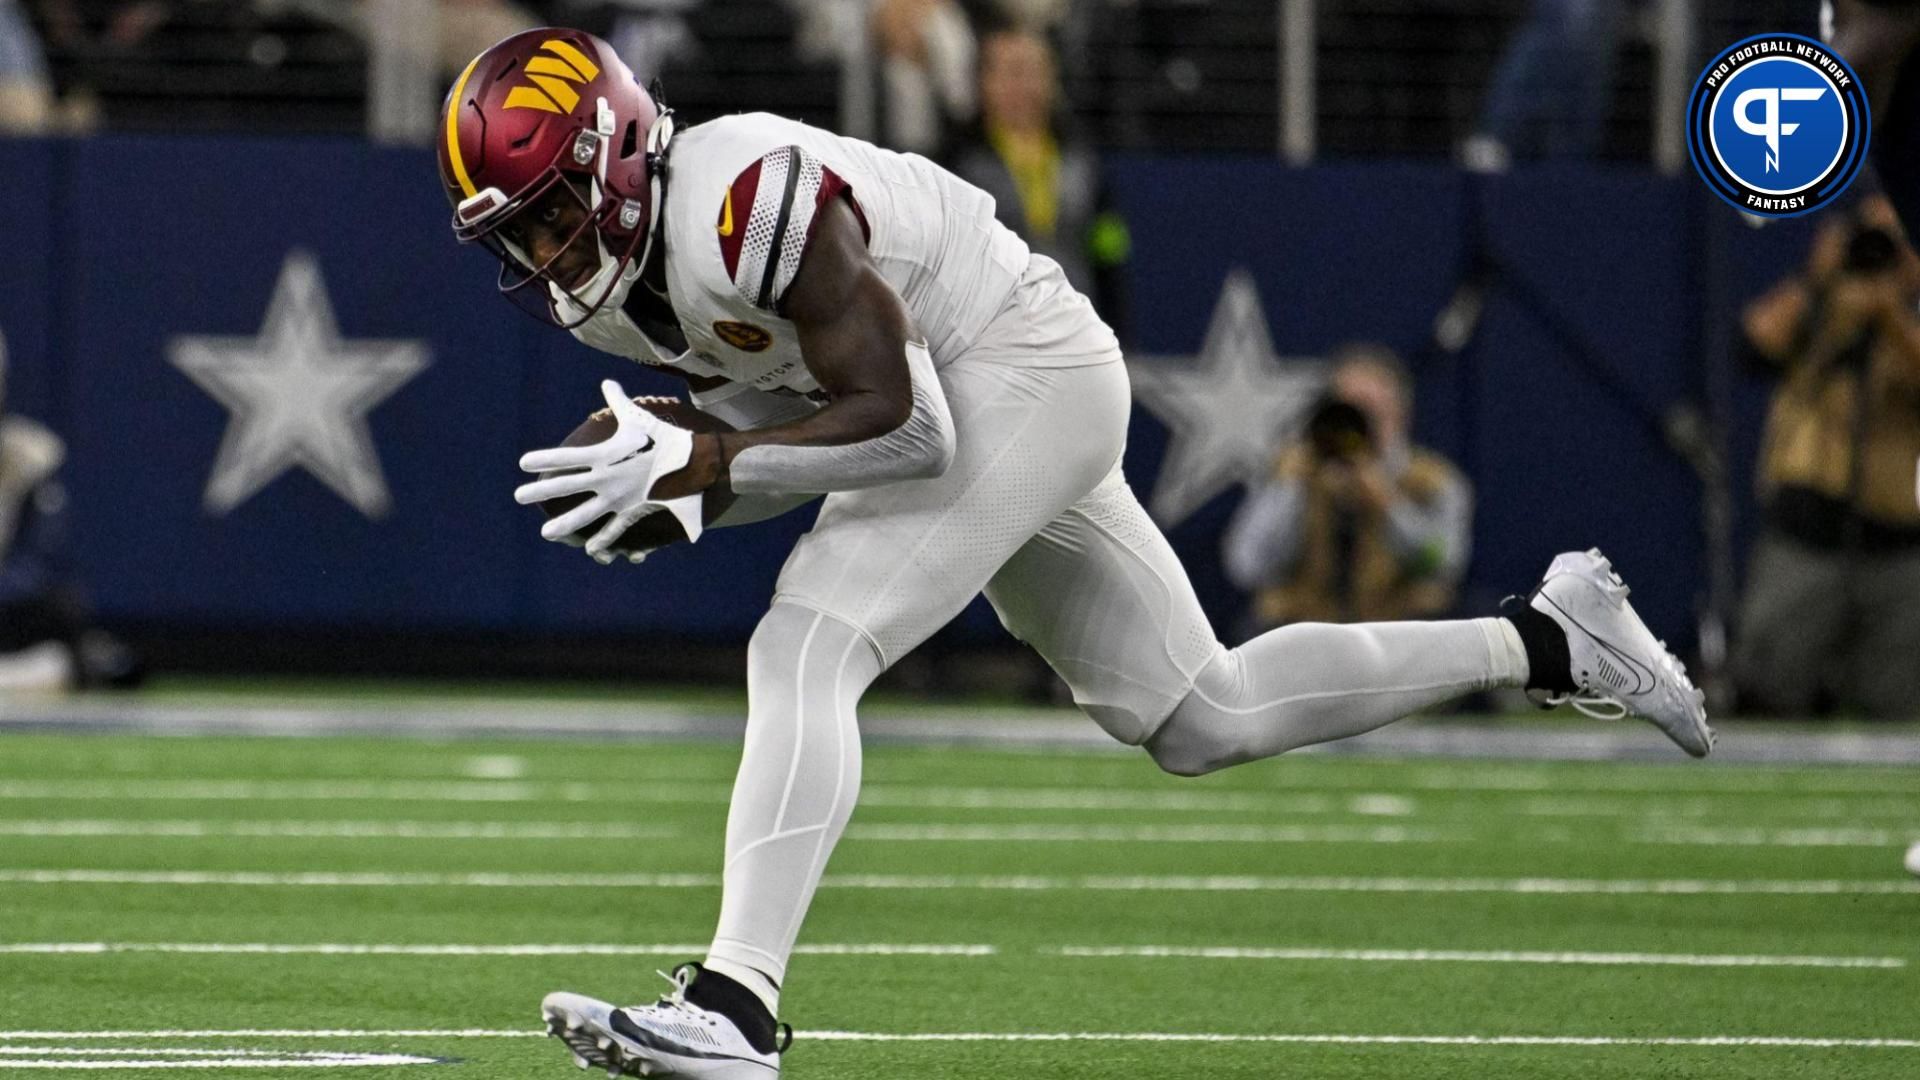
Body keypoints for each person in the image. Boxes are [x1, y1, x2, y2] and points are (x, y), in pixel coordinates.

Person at [437, 29, 1711, 1079]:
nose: (540, 255)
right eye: (515, 234)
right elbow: (795, 416)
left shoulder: (740, 196)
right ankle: (1551, 633)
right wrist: (704, 469)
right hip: (983, 391)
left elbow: (906, 426)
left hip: (1013, 367)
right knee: (1200, 714)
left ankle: (736, 1004)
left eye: (548, 216)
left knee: (810, 638)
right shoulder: (623, 284)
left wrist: (710, 462)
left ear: (613, 160)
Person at [1734, 194, 1920, 717]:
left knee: (1897, 712)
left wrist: (1889, 313)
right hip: (1806, 533)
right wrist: (1820, 278)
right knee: (1765, 695)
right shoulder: (1820, 304)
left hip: (1897, 543)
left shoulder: (1905, 320)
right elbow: (1753, 343)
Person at [1223, 345, 1470, 629]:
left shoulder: (1433, 481)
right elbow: (1246, 565)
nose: (1359, 427)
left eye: (1372, 413)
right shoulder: (1293, 470)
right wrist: (1292, 490)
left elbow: (1445, 564)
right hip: (1307, 639)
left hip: (1397, 639)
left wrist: (1388, 505)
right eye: (1349, 411)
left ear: (1399, 415)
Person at [946, 25, 1127, 326]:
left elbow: (1109, 251)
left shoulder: (1083, 159)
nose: (1026, 85)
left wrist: (1118, 331)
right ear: (984, 82)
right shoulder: (956, 162)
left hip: (1076, 328)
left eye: (1036, 71)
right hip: (990, 336)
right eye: (1013, 72)